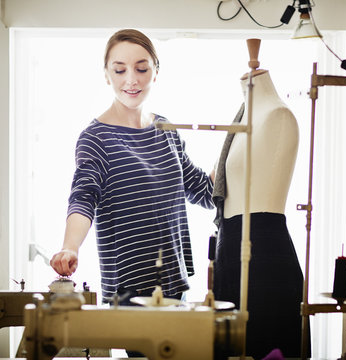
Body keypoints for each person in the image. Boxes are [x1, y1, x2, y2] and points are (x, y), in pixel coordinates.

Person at [50, 29, 215, 309]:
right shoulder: (96, 138)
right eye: (119, 70)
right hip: (129, 291)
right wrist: (70, 246)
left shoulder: (166, 130)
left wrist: (237, 148)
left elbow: (205, 191)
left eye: (141, 68)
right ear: (106, 74)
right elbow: (83, 196)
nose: (131, 79)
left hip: (175, 284)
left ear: (156, 71)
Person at [213, 55, 310, 358]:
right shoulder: (243, 116)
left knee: (264, 348)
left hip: (264, 261)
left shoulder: (278, 115)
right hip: (232, 254)